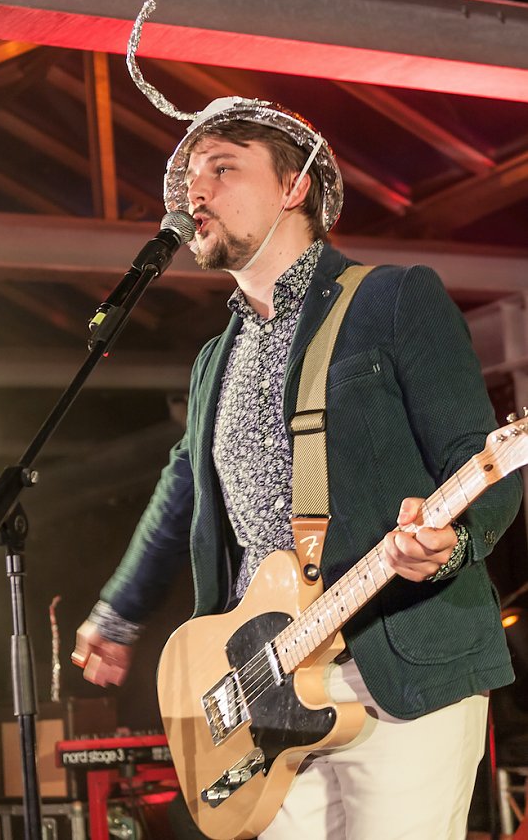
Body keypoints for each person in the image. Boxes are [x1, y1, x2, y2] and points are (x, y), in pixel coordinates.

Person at [72, 95, 522, 839]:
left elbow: (484, 461)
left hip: (399, 665)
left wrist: (455, 543)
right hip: (267, 685)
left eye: (221, 168)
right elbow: (182, 487)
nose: (197, 192)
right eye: (190, 178)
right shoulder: (214, 359)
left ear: (294, 186)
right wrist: (118, 614)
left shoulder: (393, 299)